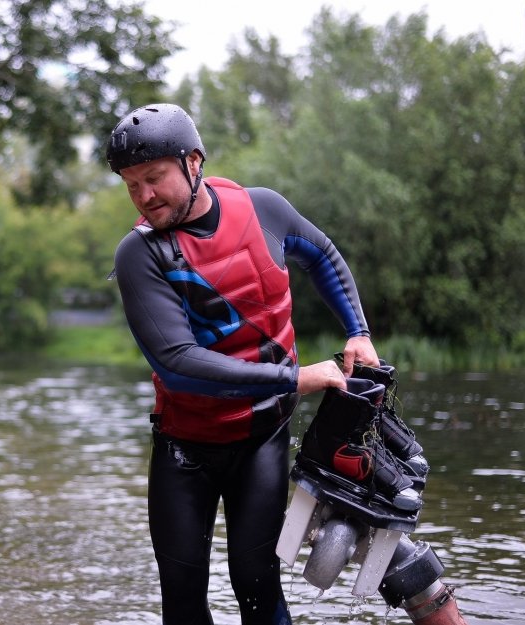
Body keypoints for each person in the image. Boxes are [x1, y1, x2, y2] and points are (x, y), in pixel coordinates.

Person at [106, 102, 382, 625]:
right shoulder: (138, 255)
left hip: (262, 439)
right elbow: (178, 363)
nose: (143, 197)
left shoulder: (263, 210)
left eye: (153, 177)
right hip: (185, 448)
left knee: (257, 584)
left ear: (193, 161)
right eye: (130, 184)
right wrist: (297, 379)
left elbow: (321, 254)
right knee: (183, 599)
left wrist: (358, 332)